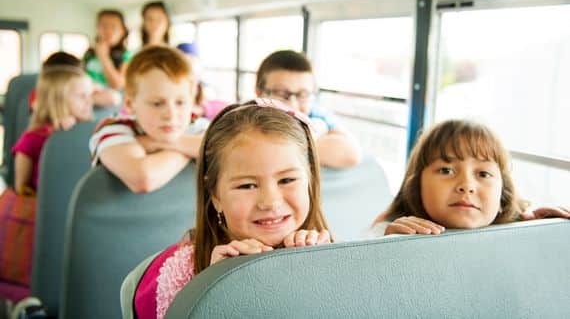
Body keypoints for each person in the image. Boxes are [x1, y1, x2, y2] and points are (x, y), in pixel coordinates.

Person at [132, 99, 332, 319]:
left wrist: (323, 275)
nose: (270, 202)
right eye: (247, 185)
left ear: (309, 180)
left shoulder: (333, 257)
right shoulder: (180, 273)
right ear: (215, 195)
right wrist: (212, 291)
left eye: (287, 180)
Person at [370, 120, 570, 236]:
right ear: (415, 187)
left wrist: (536, 231)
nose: (466, 186)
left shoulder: (514, 231)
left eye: (483, 174)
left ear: (503, 195)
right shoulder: (388, 232)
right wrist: (385, 250)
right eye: (446, 170)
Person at [0, 66, 93, 286]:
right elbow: (21, 186)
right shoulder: (33, 139)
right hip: (42, 219)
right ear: (58, 99)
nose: (89, 102)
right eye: (81, 96)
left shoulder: (91, 135)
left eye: (90, 95)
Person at [89, 46, 207, 194]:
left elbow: (227, 151)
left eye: (180, 102)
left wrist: (155, 143)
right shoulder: (112, 128)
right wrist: (193, 149)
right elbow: (144, 178)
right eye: (157, 103)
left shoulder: (196, 124)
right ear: (130, 104)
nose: (171, 114)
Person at [255, 50, 361, 168]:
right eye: (281, 93)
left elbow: (351, 154)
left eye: (302, 94)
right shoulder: (244, 118)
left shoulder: (316, 115)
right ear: (259, 93)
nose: (293, 105)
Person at [29, 51, 121, 109]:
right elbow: (37, 106)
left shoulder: (88, 90)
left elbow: (114, 98)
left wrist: (85, 97)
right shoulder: (40, 95)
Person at [176, 42, 229, 120]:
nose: (189, 66)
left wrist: (202, 109)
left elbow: (226, 107)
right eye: (184, 62)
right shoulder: (173, 88)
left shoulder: (205, 89)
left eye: (192, 61)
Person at [83, 9, 132, 89]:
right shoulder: (89, 53)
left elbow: (118, 84)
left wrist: (103, 57)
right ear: (97, 28)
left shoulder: (127, 55)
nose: (108, 31)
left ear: (122, 31)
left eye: (113, 27)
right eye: (104, 26)